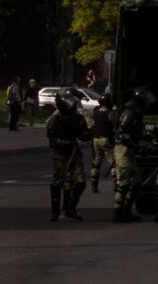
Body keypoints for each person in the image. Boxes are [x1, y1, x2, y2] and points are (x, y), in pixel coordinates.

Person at [46, 87, 91, 221]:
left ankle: (71, 208)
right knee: (57, 183)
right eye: (70, 103)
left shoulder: (78, 118)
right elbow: (52, 140)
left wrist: (83, 136)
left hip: (75, 153)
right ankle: (55, 212)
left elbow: (87, 132)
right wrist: (68, 142)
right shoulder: (55, 120)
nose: (73, 106)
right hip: (61, 155)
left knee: (80, 182)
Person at [113, 87, 155, 223]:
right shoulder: (129, 113)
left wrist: (149, 138)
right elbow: (122, 133)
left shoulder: (136, 113)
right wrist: (137, 147)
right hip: (123, 150)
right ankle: (117, 213)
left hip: (129, 150)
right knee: (124, 183)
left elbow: (135, 133)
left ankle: (127, 211)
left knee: (136, 182)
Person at [89, 90, 115, 194]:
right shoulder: (110, 113)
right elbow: (115, 125)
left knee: (96, 162)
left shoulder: (95, 111)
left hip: (96, 139)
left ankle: (93, 184)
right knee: (113, 162)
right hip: (106, 139)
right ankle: (117, 185)